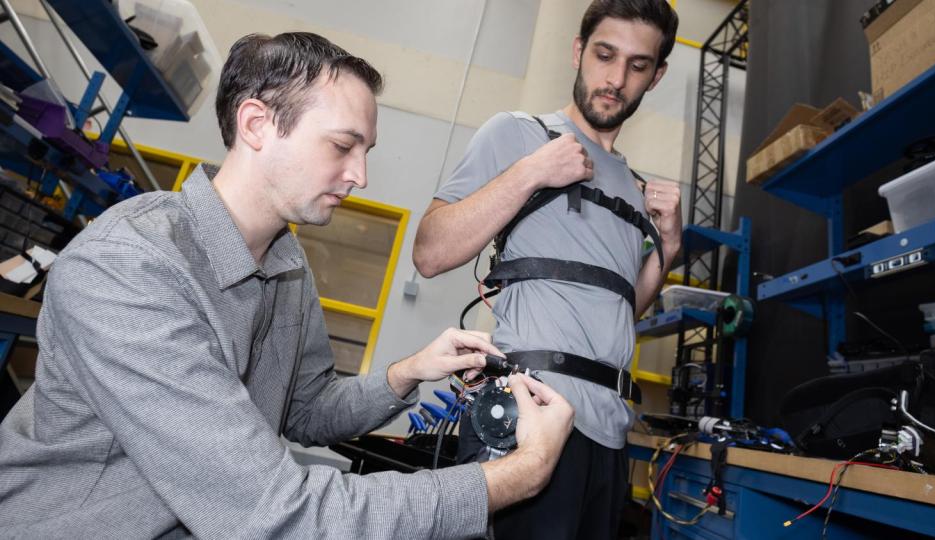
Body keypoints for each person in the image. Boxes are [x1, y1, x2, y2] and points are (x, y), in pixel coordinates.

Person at [0, 32, 574, 539]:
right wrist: (518, 474)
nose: (360, 175)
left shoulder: (285, 261)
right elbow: (273, 516)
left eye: (365, 152)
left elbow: (305, 411)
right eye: (342, 146)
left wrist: (410, 370)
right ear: (256, 125)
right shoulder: (129, 269)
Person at [413, 1, 682, 538]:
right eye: (605, 55)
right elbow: (430, 251)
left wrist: (668, 248)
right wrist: (532, 172)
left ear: (656, 76)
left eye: (636, 64)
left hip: (608, 433)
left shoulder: (636, 188)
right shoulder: (519, 134)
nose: (615, 77)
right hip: (529, 417)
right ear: (579, 51)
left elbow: (619, 311)